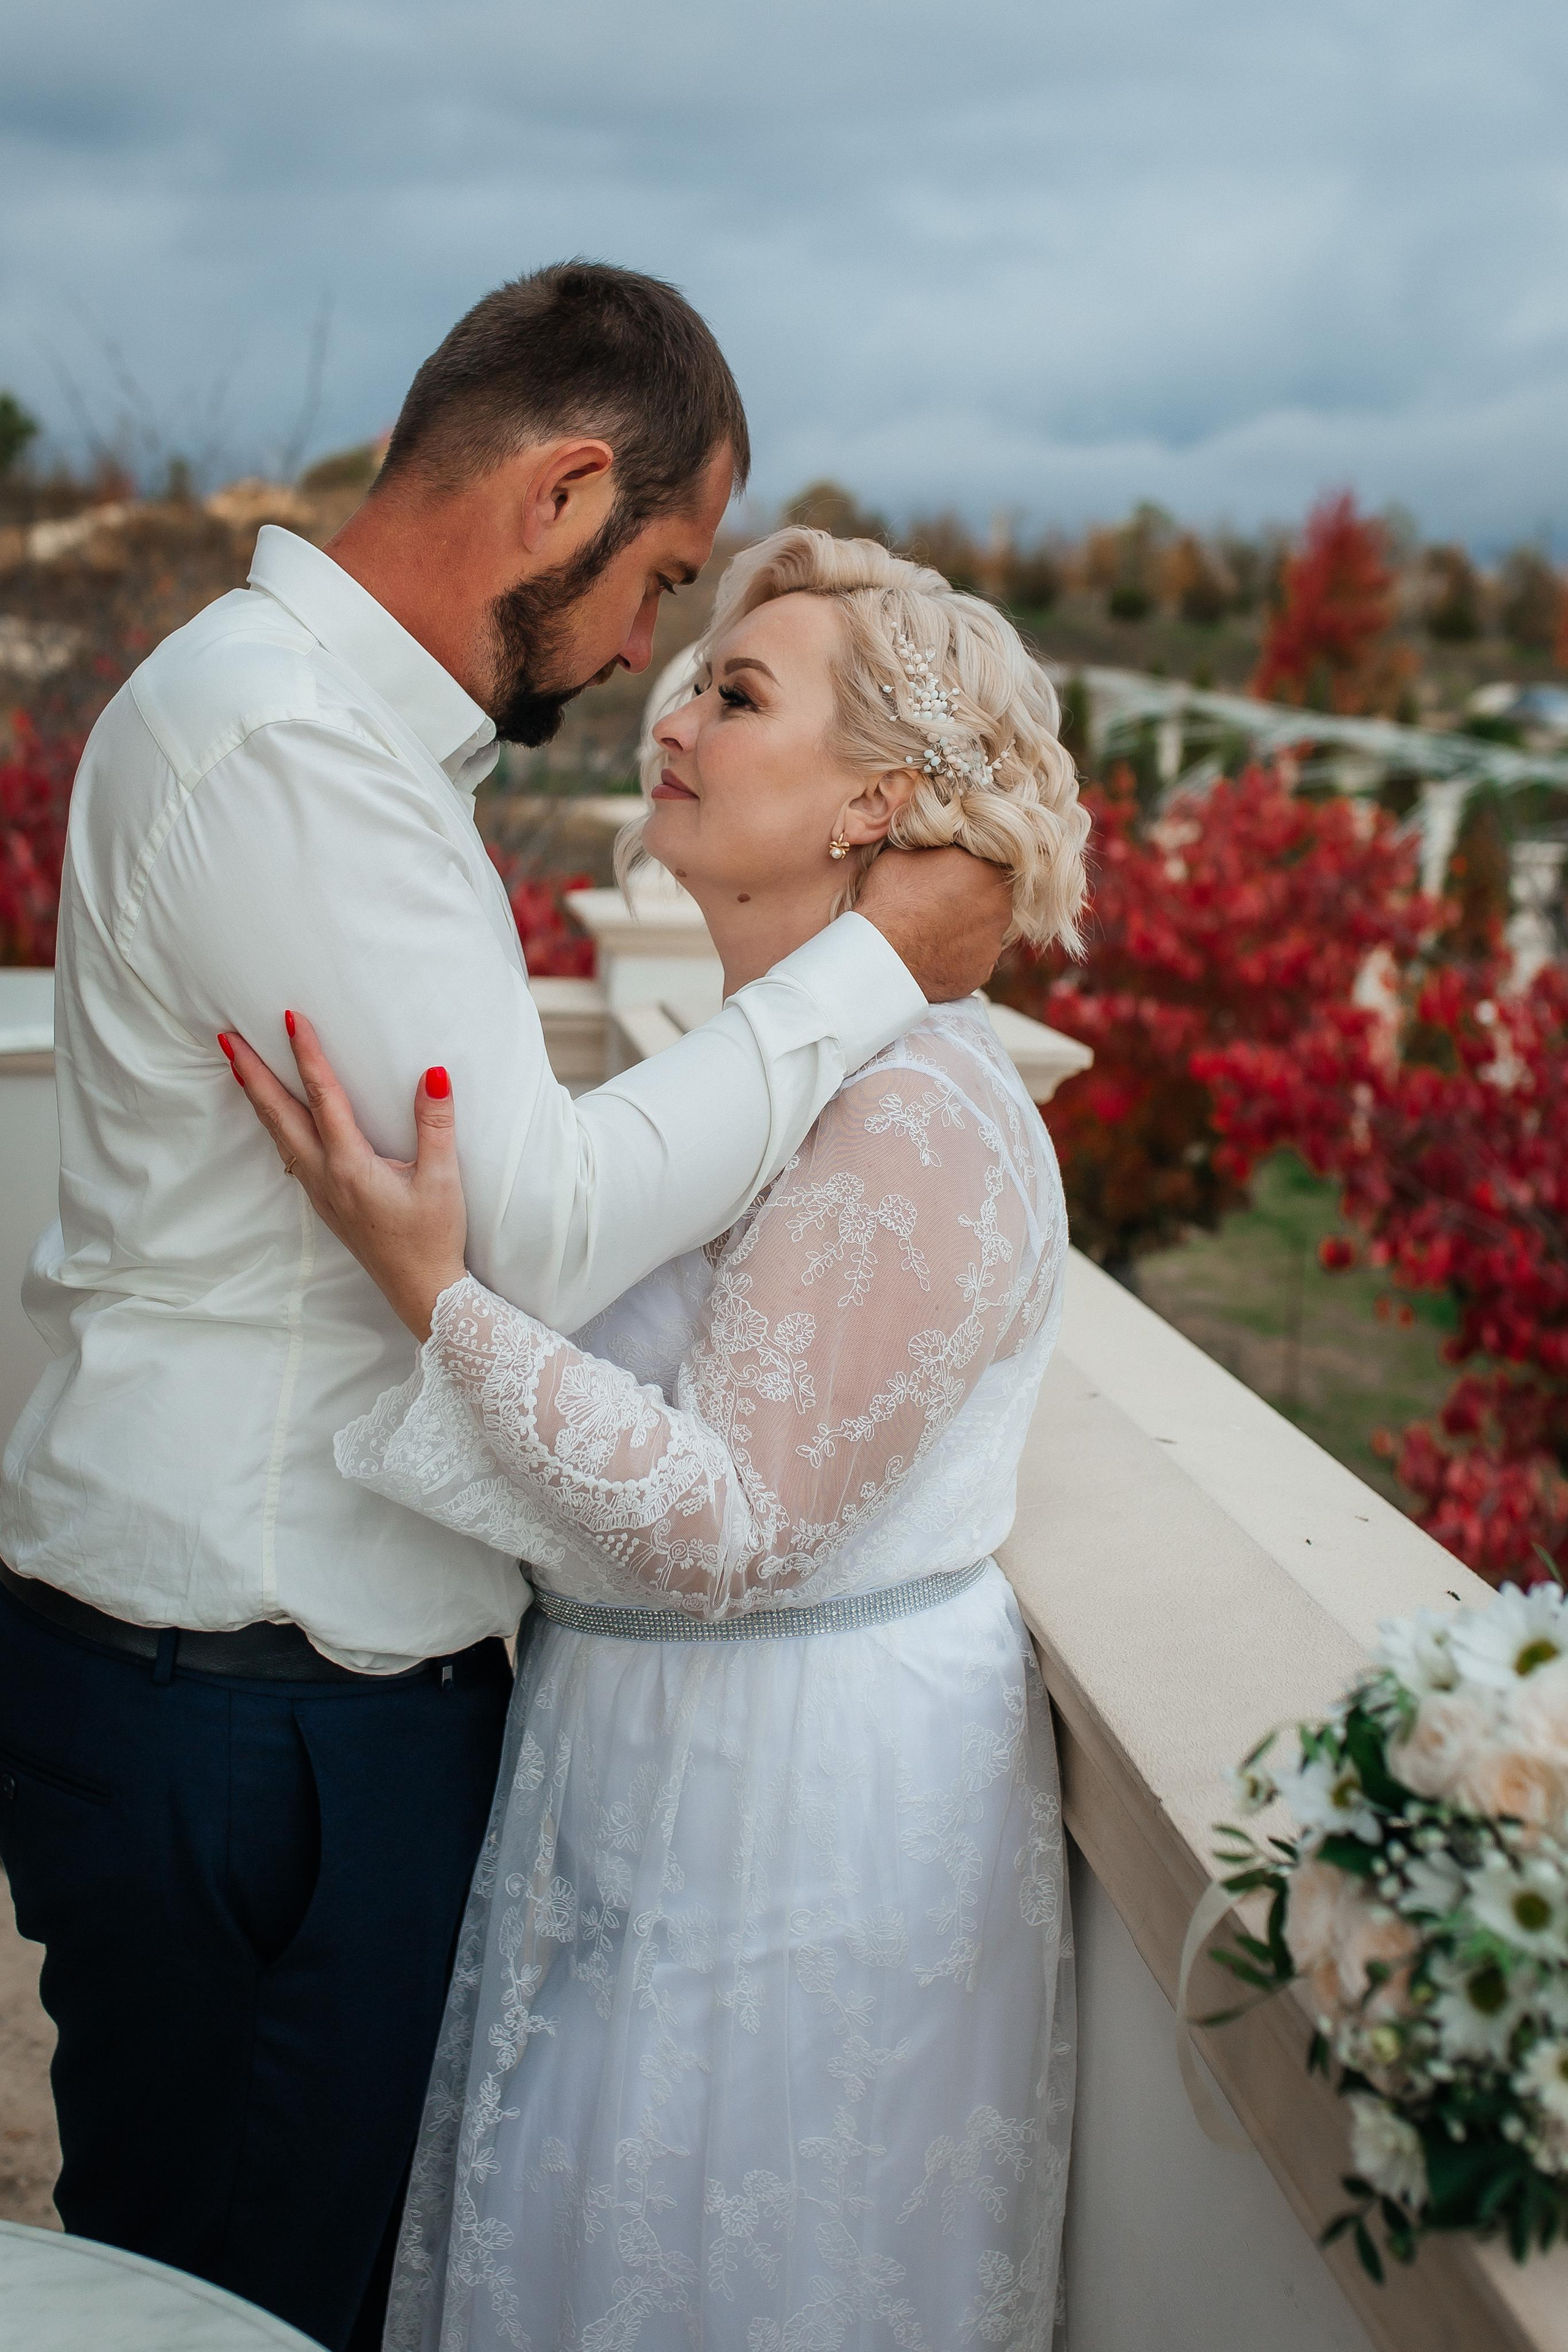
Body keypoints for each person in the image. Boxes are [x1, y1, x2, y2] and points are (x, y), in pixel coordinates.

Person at [0, 268, 1012, 2352]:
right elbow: (537, 1230)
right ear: (562, 490)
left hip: (287, 1691)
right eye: (659, 580)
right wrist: (870, 971)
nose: (650, 651)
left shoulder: (353, 744)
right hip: (247, 1700)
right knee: (225, 2305)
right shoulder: (283, 743)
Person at [228, 526, 1090, 2350]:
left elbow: (731, 1522)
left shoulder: (924, 1109)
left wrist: (436, 1295)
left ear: (879, 799)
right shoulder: (744, 1082)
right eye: (692, 675)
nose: (672, 712)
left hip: (801, 1817)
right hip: (644, 1774)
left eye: (739, 689)